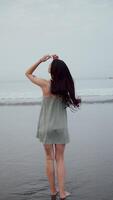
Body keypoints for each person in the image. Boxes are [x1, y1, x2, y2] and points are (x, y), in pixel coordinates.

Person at [25, 54, 81, 200]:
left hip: (46, 127)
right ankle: (62, 193)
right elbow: (63, 74)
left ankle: (52, 191)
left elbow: (27, 73)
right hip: (60, 128)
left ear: (52, 71)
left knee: (49, 159)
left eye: (50, 65)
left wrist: (40, 60)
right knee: (60, 159)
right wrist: (57, 61)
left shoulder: (45, 84)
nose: (48, 65)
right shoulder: (66, 87)